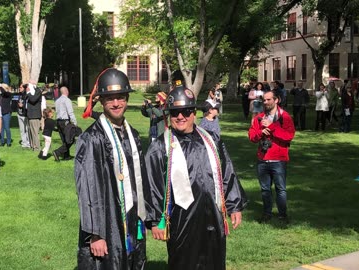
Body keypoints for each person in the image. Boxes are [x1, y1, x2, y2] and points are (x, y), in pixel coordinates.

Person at [145, 85, 247, 270]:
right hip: (182, 219)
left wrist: (234, 204)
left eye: (186, 111)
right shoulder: (160, 147)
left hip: (213, 216)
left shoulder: (211, 140)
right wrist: (154, 221)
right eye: (175, 112)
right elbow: (151, 184)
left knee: (214, 260)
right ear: (169, 114)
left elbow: (227, 171)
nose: (180, 116)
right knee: (185, 262)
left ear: (193, 112)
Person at [74, 68, 151, 269]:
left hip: (132, 220)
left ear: (126, 98)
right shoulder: (92, 138)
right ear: (101, 100)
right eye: (110, 98)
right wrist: (95, 233)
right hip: (106, 224)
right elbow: (87, 189)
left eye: (120, 97)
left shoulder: (132, 134)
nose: (116, 103)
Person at [248, 90, 295, 223]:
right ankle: (267, 213)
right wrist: (260, 132)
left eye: (269, 100)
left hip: (279, 160)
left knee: (281, 189)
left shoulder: (284, 117)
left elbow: (289, 136)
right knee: (265, 189)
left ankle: (282, 215)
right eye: (264, 100)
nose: (266, 102)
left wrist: (272, 127)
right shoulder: (259, 117)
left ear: (276, 100)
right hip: (263, 159)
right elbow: (252, 136)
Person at [53, 86, 79, 161]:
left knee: (64, 140)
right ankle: (57, 152)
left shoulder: (57, 101)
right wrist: (74, 122)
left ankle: (66, 156)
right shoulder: (67, 100)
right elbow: (70, 112)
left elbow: (57, 112)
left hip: (58, 121)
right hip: (65, 121)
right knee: (71, 140)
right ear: (66, 91)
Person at [25, 81, 42, 151]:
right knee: (31, 132)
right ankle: (33, 146)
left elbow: (33, 100)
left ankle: (37, 147)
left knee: (35, 132)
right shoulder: (31, 92)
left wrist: (28, 92)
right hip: (30, 115)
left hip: (34, 115)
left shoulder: (38, 91)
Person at [16, 83, 31, 149]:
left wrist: (23, 106)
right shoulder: (20, 95)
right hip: (19, 114)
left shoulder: (27, 95)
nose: (20, 88)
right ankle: (24, 142)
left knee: (27, 129)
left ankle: (28, 142)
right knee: (22, 130)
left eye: (21, 87)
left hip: (25, 115)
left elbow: (28, 105)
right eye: (19, 87)